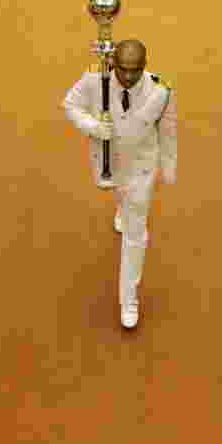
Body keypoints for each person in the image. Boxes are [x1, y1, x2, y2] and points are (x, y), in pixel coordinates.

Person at [61, 39, 177, 329]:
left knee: (135, 234)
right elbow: (70, 105)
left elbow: (168, 130)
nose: (127, 77)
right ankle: (121, 210)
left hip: (141, 169)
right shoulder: (93, 80)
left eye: (134, 70)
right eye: (122, 70)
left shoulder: (160, 92)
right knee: (121, 200)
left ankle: (129, 299)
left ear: (145, 66)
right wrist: (94, 127)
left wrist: (168, 168)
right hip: (109, 163)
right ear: (114, 64)